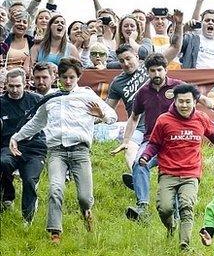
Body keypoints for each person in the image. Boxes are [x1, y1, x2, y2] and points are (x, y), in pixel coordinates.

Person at [9, 57, 117, 243]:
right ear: (58, 77)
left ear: (78, 77)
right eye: (64, 77)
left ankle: (86, 211)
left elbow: (112, 116)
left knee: (84, 197)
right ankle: (55, 232)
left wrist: (102, 116)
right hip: (57, 151)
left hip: (80, 151)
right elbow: (36, 122)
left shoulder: (87, 95)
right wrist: (16, 137)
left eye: (72, 77)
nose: (68, 81)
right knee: (55, 189)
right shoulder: (50, 98)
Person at [110, 53, 214, 221]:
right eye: (152, 71)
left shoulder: (178, 86)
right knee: (138, 164)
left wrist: (213, 105)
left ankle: (180, 215)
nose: (156, 74)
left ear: (166, 70)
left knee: (179, 178)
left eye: (159, 70)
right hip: (152, 141)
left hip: (177, 142)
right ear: (147, 72)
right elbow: (134, 117)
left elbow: (199, 98)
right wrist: (126, 141)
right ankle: (142, 207)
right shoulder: (143, 92)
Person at [137, 83, 214, 250]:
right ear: (175, 102)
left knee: (187, 206)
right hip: (168, 172)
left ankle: (184, 245)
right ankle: (171, 226)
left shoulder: (201, 119)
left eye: (188, 102)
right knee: (164, 208)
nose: (184, 105)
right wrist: (145, 156)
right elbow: (154, 143)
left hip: (190, 173)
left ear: (195, 102)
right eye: (181, 102)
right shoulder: (164, 120)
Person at [0, 68, 46, 223]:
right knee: (3, 163)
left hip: (34, 148)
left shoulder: (37, 100)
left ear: (25, 84)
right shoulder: (1, 103)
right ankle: (8, 196)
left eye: (18, 86)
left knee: (29, 180)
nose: (14, 90)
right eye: (11, 86)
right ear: (5, 84)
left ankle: (27, 220)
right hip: (7, 147)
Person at [105, 44, 150, 186]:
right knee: (129, 147)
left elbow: (173, 49)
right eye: (121, 61)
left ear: (136, 56)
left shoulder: (149, 68)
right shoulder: (117, 83)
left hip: (160, 123)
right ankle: (137, 180)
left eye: (128, 58)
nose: (125, 63)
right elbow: (108, 108)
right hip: (138, 127)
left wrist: (178, 26)